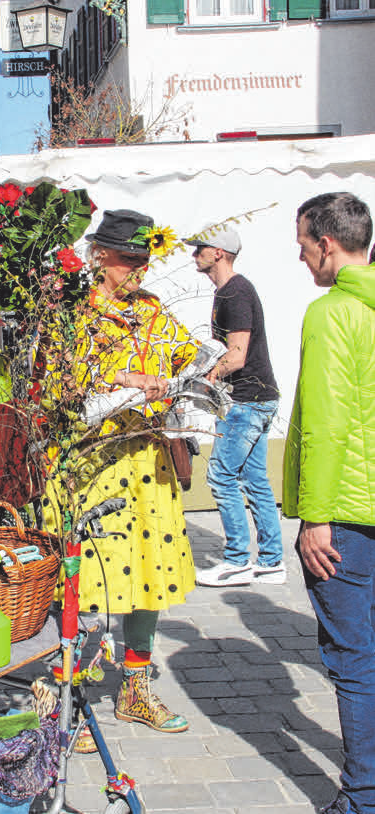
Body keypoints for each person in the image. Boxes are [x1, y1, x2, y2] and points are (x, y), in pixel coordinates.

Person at [42, 209, 200, 734]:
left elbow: (182, 356)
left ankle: (135, 689)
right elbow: (56, 381)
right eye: (130, 260)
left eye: (145, 260)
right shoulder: (72, 311)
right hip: (93, 461)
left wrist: (205, 368)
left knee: (148, 574)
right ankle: (70, 699)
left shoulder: (153, 310)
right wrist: (125, 376)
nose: (140, 271)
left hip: (145, 461)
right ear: (99, 257)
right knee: (86, 577)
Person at [285, 192, 375, 814]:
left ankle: (363, 797)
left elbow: (324, 422)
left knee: (353, 659)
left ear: (327, 244)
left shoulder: (332, 312)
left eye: (302, 244)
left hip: (344, 507)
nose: (299, 256)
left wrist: (316, 518)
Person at [184, 227, 284, 587]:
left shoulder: (235, 293)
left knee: (222, 476)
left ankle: (237, 560)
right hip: (259, 397)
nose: (194, 254)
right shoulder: (229, 292)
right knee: (254, 478)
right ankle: (272, 562)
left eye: (200, 249)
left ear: (220, 253)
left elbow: (237, 356)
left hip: (247, 400)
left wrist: (205, 378)